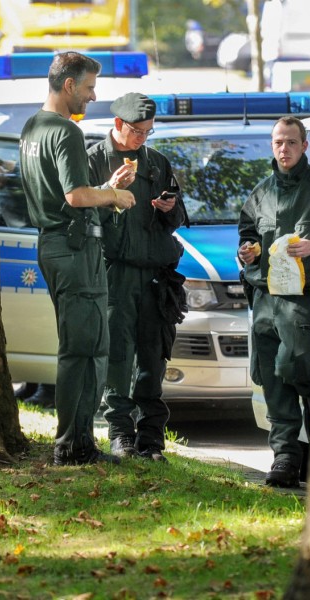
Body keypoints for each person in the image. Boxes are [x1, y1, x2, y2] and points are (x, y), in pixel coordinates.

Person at [18, 51, 136, 466]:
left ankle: (74, 441)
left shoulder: (32, 126)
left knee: (78, 346)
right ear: (69, 85)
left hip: (52, 244)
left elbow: (61, 196)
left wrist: (104, 185)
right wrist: (115, 195)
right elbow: (75, 197)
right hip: (74, 249)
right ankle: (73, 445)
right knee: (86, 350)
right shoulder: (66, 131)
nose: (93, 95)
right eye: (88, 88)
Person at [87, 92, 186, 462]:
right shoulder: (95, 159)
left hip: (156, 274)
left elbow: (177, 218)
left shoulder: (156, 162)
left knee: (153, 356)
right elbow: (82, 217)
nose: (142, 138)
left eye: (147, 131)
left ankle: (151, 438)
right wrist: (111, 191)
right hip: (116, 271)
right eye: (136, 131)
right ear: (117, 125)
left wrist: (169, 208)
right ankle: (120, 434)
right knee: (118, 355)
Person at [237, 116, 310, 488]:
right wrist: (247, 253)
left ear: (305, 146)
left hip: (308, 304)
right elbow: (247, 235)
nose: (283, 149)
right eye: (277, 143)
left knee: (306, 376)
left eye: (290, 142)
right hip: (266, 303)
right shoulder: (260, 192)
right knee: (273, 381)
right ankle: (285, 457)